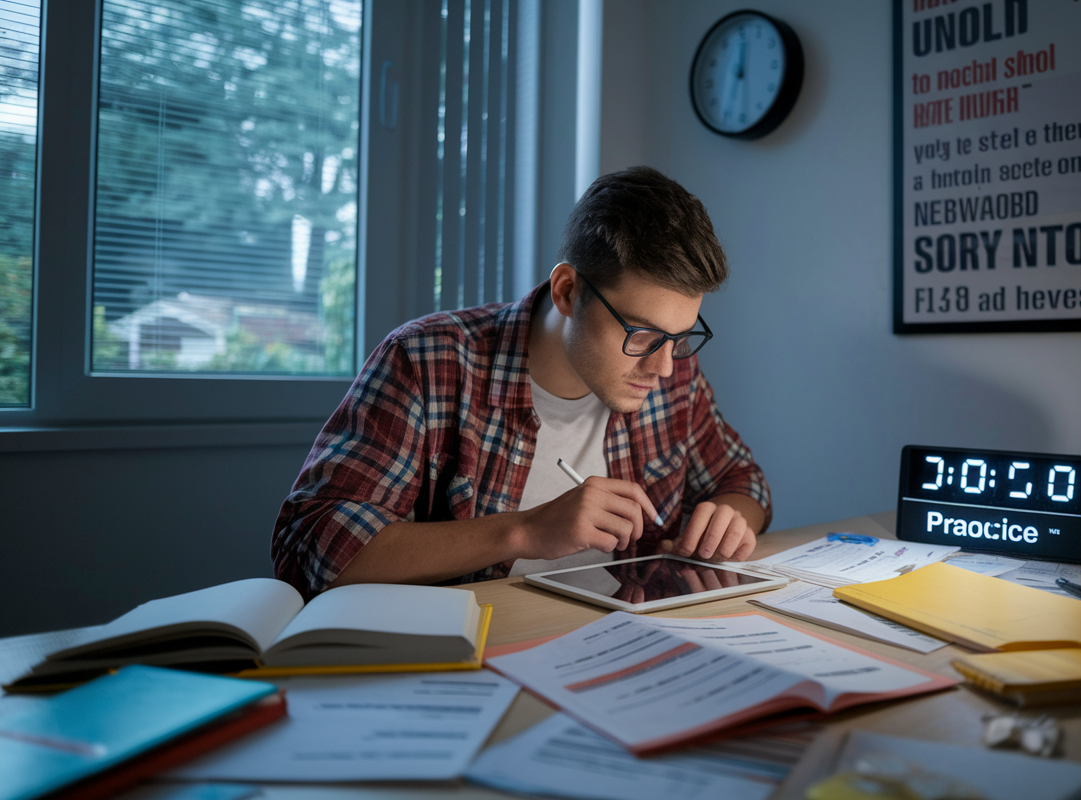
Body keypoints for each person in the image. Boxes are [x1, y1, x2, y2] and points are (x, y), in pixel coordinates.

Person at [272, 166, 771, 598]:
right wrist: (525, 531)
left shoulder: (671, 368)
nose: (663, 367)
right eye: (640, 334)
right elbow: (313, 545)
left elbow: (742, 481)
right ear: (568, 292)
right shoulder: (428, 360)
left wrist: (729, 517)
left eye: (681, 337)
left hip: (627, 645)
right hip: (473, 664)